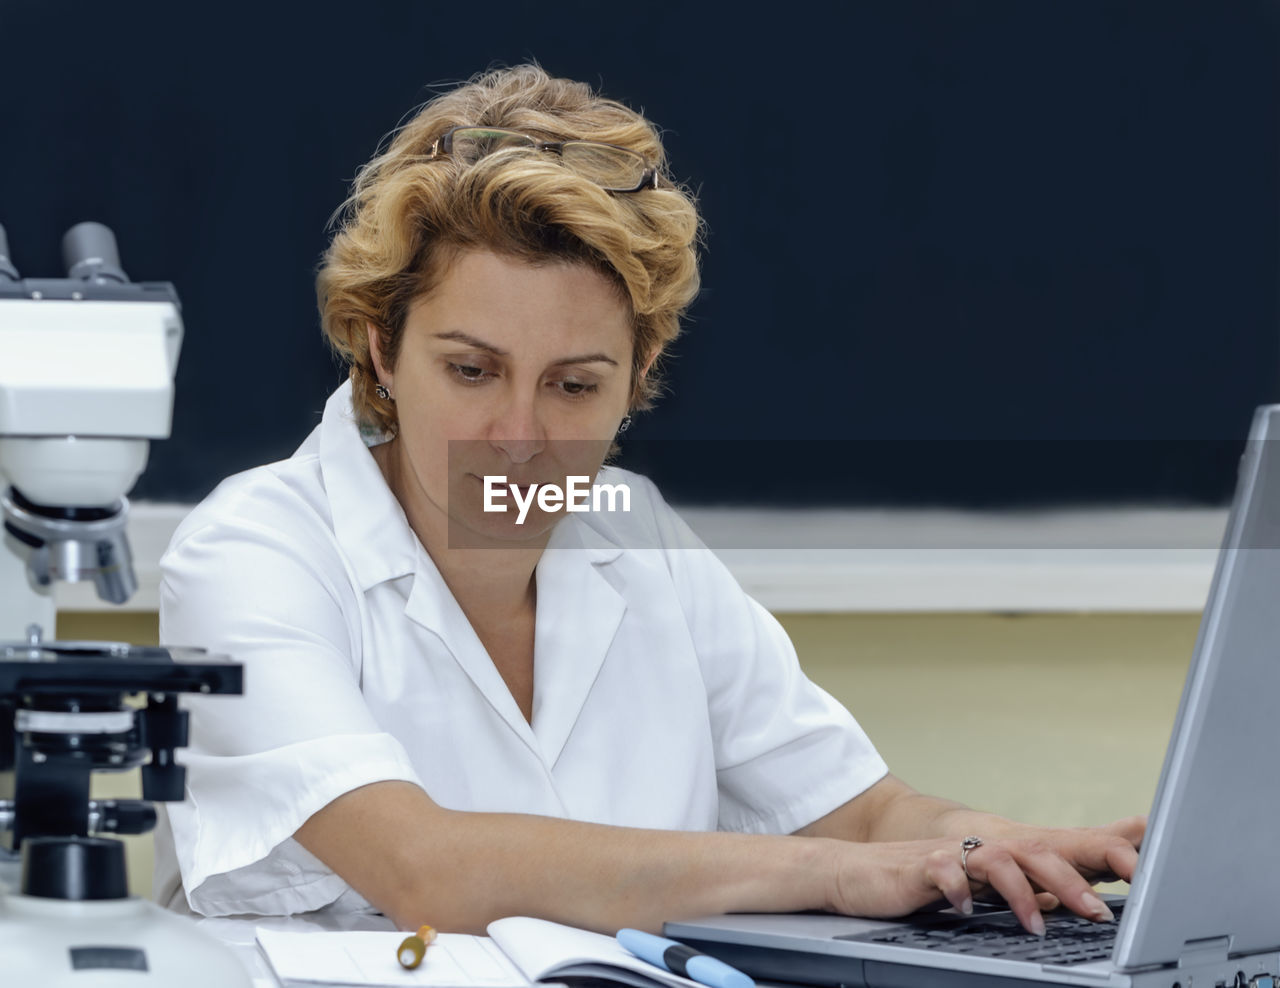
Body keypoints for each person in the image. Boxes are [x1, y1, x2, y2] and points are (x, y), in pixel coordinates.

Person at [153, 64, 1144, 936]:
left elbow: (866, 815)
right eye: (470, 370)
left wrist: (1022, 849)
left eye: (574, 385)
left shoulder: (636, 533)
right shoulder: (252, 555)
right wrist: (832, 876)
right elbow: (425, 869)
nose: (518, 436)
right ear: (381, 346)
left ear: (639, 376)